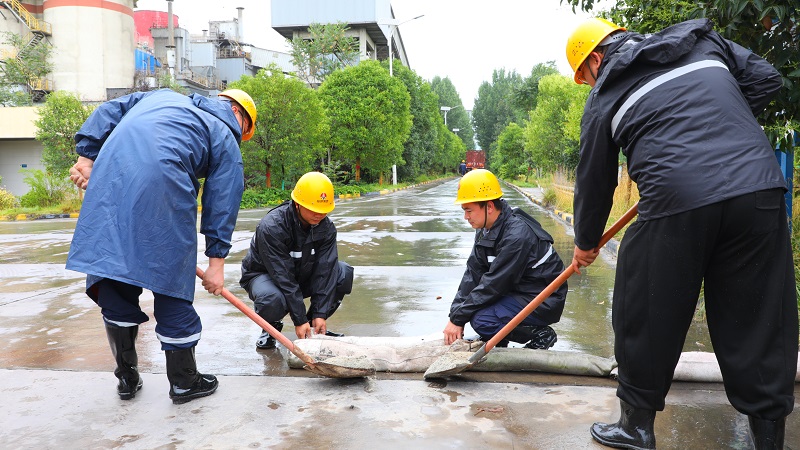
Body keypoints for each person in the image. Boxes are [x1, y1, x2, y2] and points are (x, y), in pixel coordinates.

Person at [566, 18, 797, 449]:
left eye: (585, 76)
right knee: (760, 315)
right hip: (758, 188)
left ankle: (636, 427)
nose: (588, 84)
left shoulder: (606, 91)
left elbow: (594, 181)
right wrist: (719, 129)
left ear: (596, 59)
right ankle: (769, 439)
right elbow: (765, 78)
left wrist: (584, 243)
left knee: (645, 304)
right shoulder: (701, 41)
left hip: (676, 199)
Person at [66, 88, 257, 405]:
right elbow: (221, 202)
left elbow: (109, 111)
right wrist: (216, 265)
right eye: (243, 132)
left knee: (114, 270)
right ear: (239, 115)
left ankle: (127, 378)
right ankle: (184, 382)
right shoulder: (224, 132)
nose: (238, 137)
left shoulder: (160, 96)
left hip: (111, 169)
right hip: (164, 181)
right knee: (170, 278)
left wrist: (86, 159)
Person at [442, 169, 567, 349]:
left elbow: (494, 284)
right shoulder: (485, 229)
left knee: (482, 320)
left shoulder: (516, 235)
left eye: (469, 210)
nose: (465, 217)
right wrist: (455, 316)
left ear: (489, 206)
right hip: (518, 290)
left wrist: (458, 319)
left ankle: (541, 334)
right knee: (476, 310)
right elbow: (473, 273)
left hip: (543, 298)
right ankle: (499, 337)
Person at [240, 171, 354, 349]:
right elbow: (283, 276)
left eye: (323, 211)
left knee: (342, 273)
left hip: (301, 273)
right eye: (313, 209)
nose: (319, 215)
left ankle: (313, 328)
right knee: (272, 299)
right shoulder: (272, 227)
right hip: (266, 276)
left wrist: (320, 313)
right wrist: (298, 319)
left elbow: (326, 270)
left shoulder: (326, 228)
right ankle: (271, 328)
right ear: (298, 203)